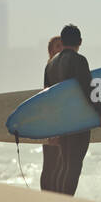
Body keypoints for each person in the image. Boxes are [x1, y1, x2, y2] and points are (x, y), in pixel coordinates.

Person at [43, 24, 101, 196]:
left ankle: (57, 201)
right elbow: (88, 89)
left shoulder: (51, 64)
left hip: (61, 122)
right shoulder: (79, 60)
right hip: (77, 120)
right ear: (80, 41)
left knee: (65, 164)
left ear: (64, 40)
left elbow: (47, 95)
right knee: (73, 166)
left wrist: (52, 126)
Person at [39, 35, 64, 192]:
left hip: (63, 124)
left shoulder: (65, 70)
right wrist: (52, 130)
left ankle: (55, 197)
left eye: (63, 45)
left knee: (60, 166)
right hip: (51, 124)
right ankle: (47, 196)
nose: (61, 49)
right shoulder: (50, 69)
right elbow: (49, 100)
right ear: (50, 51)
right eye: (57, 46)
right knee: (50, 164)